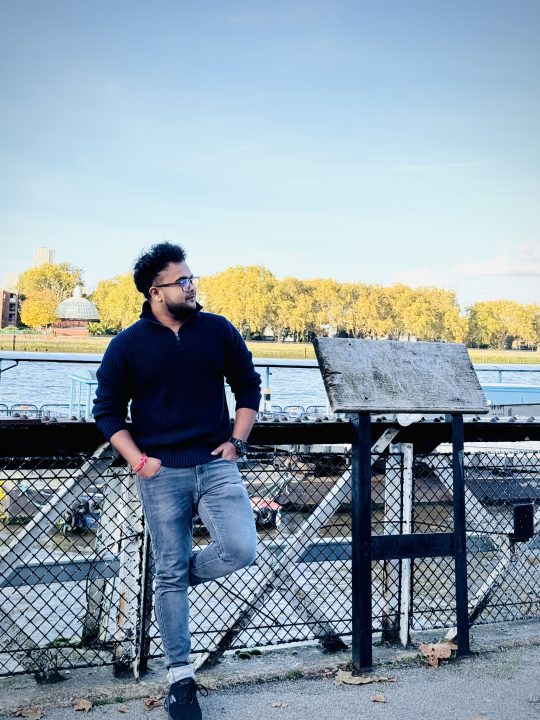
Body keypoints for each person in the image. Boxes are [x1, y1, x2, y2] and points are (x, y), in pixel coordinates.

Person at [93, 243, 261, 720]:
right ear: (156, 292)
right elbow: (107, 411)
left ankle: (169, 581)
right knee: (168, 571)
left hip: (217, 463)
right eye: (182, 281)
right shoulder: (126, 345)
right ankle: (180, 680)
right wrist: (139, 462)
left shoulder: (217, 330)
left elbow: (247, 385)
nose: (191, 287)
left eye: (192, 279)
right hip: (161, 471)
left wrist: (237, 441)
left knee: (240, 549)